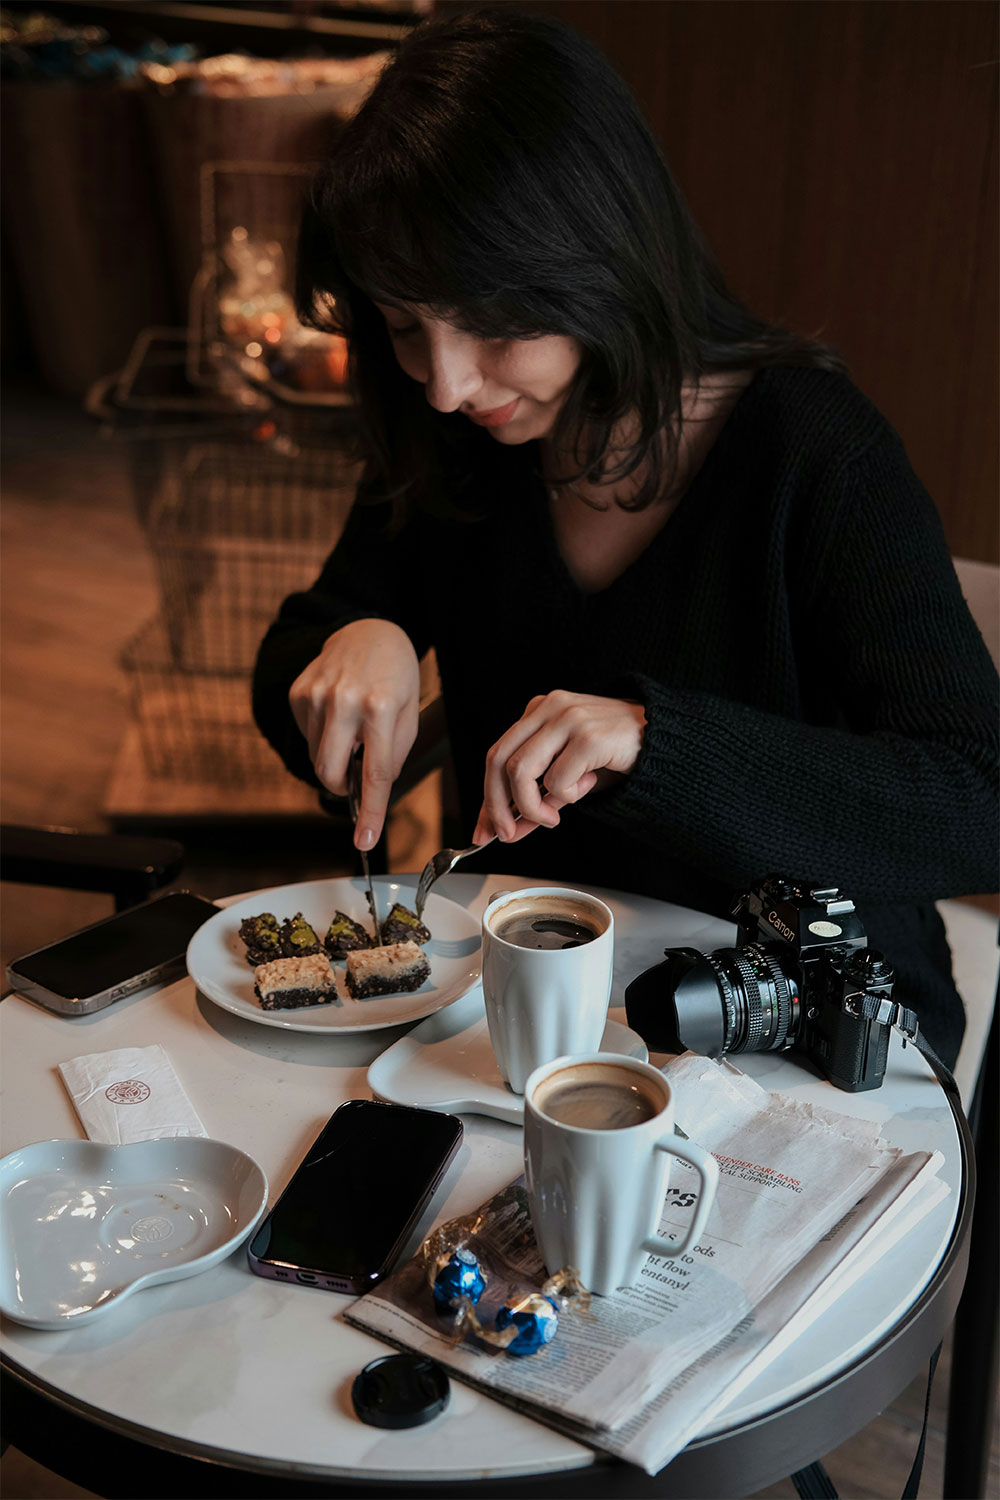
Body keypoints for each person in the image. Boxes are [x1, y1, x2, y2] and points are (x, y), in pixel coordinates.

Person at [252, 7, 998, 1067]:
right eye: (405, 326)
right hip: (537, 1012)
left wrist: (659, 744)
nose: (449, 381)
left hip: (798, 1025)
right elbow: (299, 684)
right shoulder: (462, 440)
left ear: (597, 258)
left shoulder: (814, 458)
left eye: (495, 324)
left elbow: (979, 801)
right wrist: (355, 633)